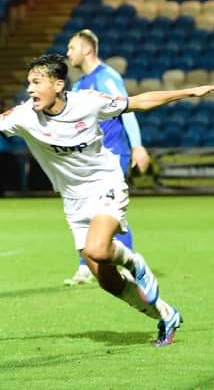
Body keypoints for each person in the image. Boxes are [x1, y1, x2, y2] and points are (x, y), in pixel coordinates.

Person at [0, 54, 214, 346]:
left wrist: (189, 91)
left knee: (98, 249)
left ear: (58, 84)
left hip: (106, 184)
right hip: (73, 201)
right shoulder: (24, 115)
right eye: (28, 83)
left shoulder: (88, 102)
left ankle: (135, 262)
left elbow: (138, 102)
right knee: (107, 281)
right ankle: (166, 314)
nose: (30, 89)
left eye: (37, 82)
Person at [63, 29, 150, 286]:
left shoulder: (107, 77)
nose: (68, 53)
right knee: (86, 209)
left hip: (113, 153)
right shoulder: (79, 85)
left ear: (87, 49)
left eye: (71, 48)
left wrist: (138, 146)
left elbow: (128, 110)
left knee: (108, 209)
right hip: (90, 158)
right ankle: (87, 266)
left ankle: (127, 263)